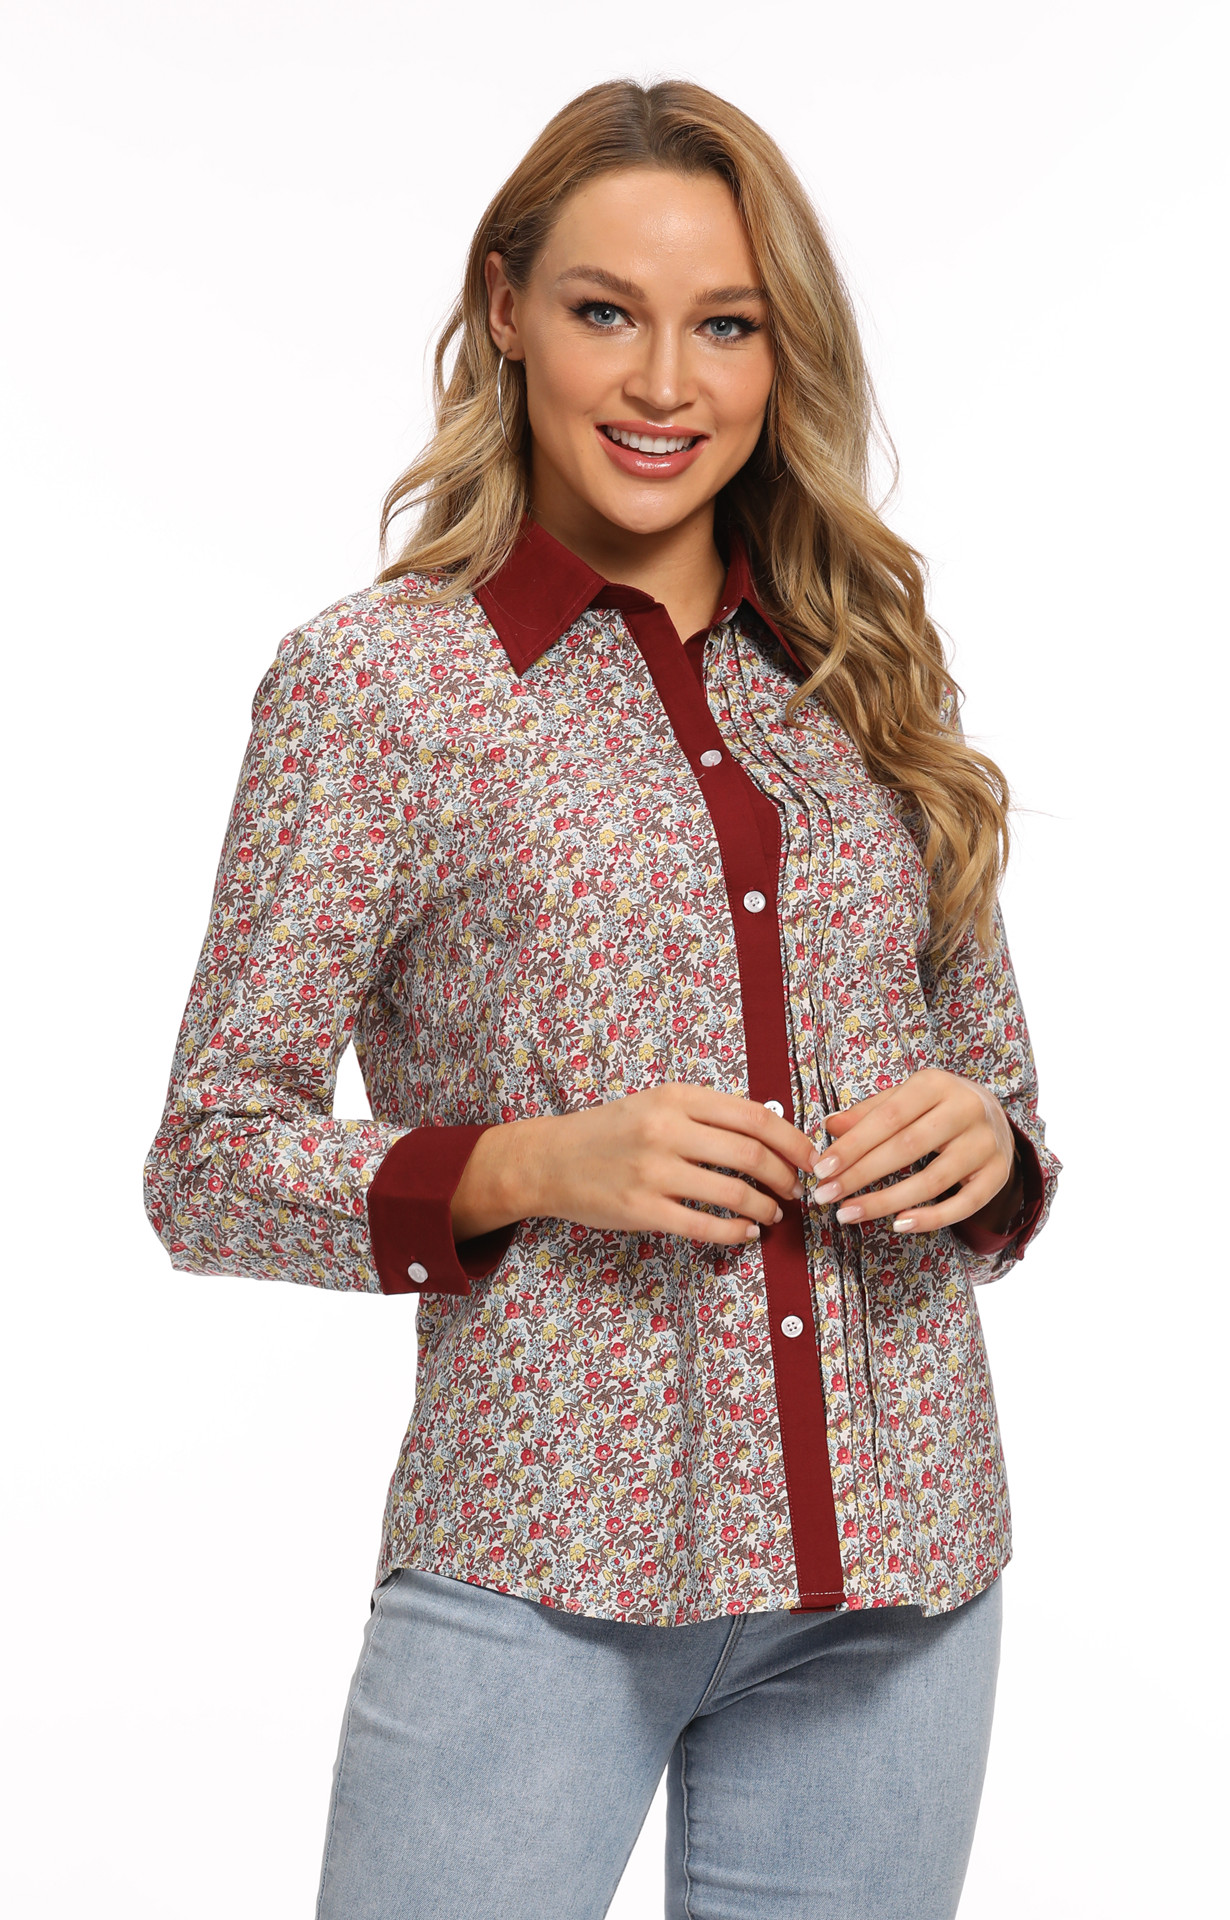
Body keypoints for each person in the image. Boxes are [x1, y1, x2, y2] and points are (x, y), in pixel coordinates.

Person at [144, 77, 1060, 1920]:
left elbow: (1004, 1099)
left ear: (782, 354)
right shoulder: (379, 689)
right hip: (544, 1562)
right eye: (604, 311)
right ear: (506, 310)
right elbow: (206, 1163)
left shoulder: (865, 668)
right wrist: (533, 1164)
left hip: (898, 1570)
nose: (664, 383)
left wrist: (985, 1141)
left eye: (726, 325)